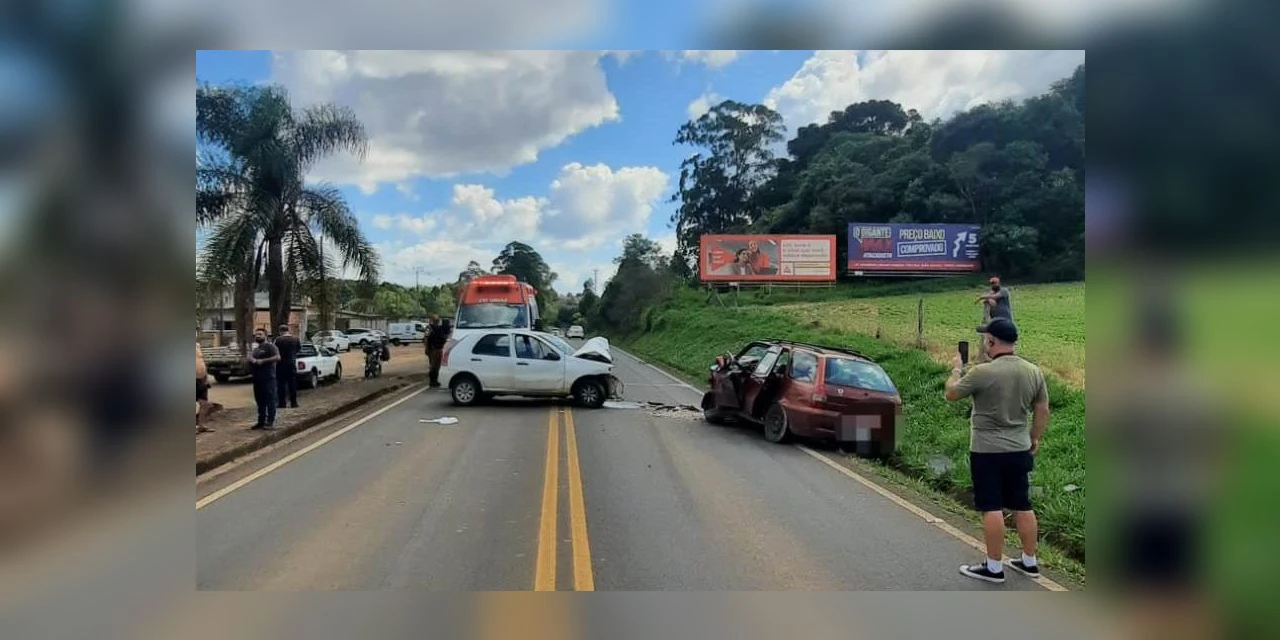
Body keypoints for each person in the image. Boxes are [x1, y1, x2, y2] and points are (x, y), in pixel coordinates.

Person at [944, 317, 1049, 584]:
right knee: (1022, 504)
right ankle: (1029, 561)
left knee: (991, 506)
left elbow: (952, 394)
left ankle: (993, 566)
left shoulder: (982, 372)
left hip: (987, 450)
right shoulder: (1033, 371)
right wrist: (1034, 437)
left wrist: (956, 370)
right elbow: (1042, 409)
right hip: (1019, 447)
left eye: (985, 339)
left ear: (991, 341)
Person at [247, 328, 281, 429]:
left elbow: (278, 357)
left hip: (268, 378)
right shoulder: (256, 349)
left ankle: (270, 422)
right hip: (257, 379)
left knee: (270, 400)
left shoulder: (270, 347)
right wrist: (250, 360)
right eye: (256, 335)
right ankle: (261, 421)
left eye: (260, 334)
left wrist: (262, 361)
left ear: (265, 336)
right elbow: (253, 362)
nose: (257, 336)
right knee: (260, 401)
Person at [274, 324, 302, 409]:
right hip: (292, 364)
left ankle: (282, 403)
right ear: (287, 330)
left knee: (281, 385)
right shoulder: (296, 339)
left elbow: (274, 350)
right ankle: (294, 403)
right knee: (292, 384)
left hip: (280, 364)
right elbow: (299, 349)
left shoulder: (278, 340)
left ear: (280, 331)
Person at [425, 314, 450, 388]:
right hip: (433, 349)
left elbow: (445, 335)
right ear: (432, 320)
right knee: (433, 366)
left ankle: (435, 380)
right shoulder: (429, 328)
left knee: (438, 366)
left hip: (439, 348)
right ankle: (432, 381)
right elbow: (426, 338)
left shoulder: (439, 328)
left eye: (438, 320)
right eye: (435, 320)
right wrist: (426, 348)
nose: (437, 322)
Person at [196, 337, 214, 433]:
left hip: (202, 379)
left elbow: (201, 362)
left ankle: (201, 426)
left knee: (204, 404)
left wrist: (206, 377)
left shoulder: (197, 345)